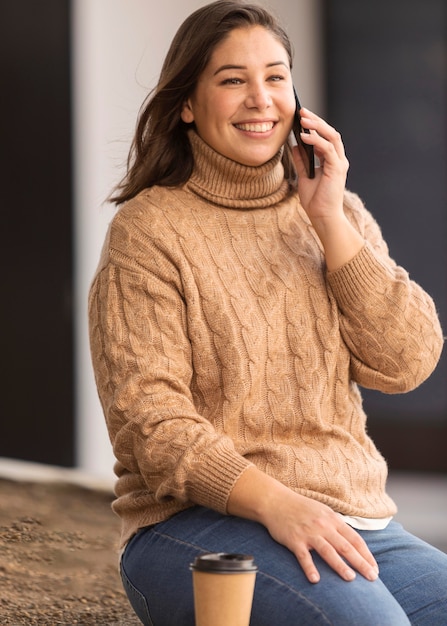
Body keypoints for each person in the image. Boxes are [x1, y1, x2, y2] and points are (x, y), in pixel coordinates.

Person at [88, 1, 447, 624]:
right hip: (193, 528)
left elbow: (407, 362)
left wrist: (329, 220)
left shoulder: (338, 212)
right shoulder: (148, 232)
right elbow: (150, 422)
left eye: (276, 77)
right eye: (232, 80)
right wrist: (278, 504)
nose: (261, 99)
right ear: (187, 104)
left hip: (348, 522)